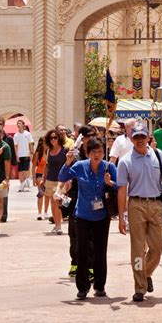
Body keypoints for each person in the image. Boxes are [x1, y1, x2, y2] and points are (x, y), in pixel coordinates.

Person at [117, 123, 162, 302]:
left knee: (158, 247)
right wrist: (121, 217)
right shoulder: (125, 161)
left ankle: (146, 272)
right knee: (137, 249)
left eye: (143, 136)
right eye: (136, 137)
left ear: (148, 137)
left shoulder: (158, 156)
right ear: (131, 138)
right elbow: (121, 190)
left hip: (157, 204)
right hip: (136, 205)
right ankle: (140, 287)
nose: (140, 140)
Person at [58, 137, 117, 299]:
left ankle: (99, 286)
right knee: (81, 251)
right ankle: (82, 287)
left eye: (100, 152)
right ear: (88, 153)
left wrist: (110, 182)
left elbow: (121, 185)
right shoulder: (80, 166)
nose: (97, 155)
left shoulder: (109, 167)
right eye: (93, 152)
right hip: (82, 215)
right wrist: (68, 162)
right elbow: (62, 177)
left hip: (102, 216)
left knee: (100, 251)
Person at [63, 125, 96, 278]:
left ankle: (90, 266)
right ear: (81, 138)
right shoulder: (75, 155)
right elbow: (65, 174)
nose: (90, 139)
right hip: (75, 195)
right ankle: (75, 263)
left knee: (91, 234)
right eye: (87, 136)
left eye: (93, 136)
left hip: (92, 197)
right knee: (74, 232)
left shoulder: (98, 152)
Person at [40, 127, 68, 234]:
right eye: (51, 138)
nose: (53, 140)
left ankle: (59, 224)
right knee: (53, 203)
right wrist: (43, 178)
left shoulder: (65, 150)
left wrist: (68, 179)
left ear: (59, 138)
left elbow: (68, 165)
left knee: (59, 202)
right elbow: (47, 166)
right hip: (50, 180)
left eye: (55, 137)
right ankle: (57, 225)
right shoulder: (48, 151)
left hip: (61, 180)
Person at [0, 116, 17, 223]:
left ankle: (3, 215)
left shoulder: (9, 139)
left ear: (3, 125)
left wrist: (13, 169)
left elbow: (13, 156)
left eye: (0, 123)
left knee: (3, 193)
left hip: (4, 171)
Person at [13, 119, 34, 192]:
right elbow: (15, 146)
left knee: (26, 169)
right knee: (20, 171)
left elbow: (31, 143)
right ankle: (21, 185)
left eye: (20, 123)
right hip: (19, 155)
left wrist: (31, 153)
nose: (18, 125)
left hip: (26, 154)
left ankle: (28, 180)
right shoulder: (15, 135)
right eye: (17, 123)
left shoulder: (27, 134)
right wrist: (16, 155)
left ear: (23, 125)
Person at [32, 137, 48, 220]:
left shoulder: (49, 152)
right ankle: (39, 212)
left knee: (47, 194)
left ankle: (45, 212)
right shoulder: (38, 153)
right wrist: (34, 178)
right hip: (39, 174)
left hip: (47, 174)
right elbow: (34, 166)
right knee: (41, 193)